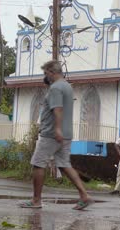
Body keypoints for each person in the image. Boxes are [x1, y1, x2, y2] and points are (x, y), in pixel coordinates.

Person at [20, 60, 92, 210]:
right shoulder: (67, 86)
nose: (46, 76)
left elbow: (57, 109)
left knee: (38, 164)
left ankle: (36, 200)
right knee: (64, 165)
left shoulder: (55, 88)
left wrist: (57, 129)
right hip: (66, 134)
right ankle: (84, 195)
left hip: (52, 134)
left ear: (52, 72)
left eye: (46, 73)